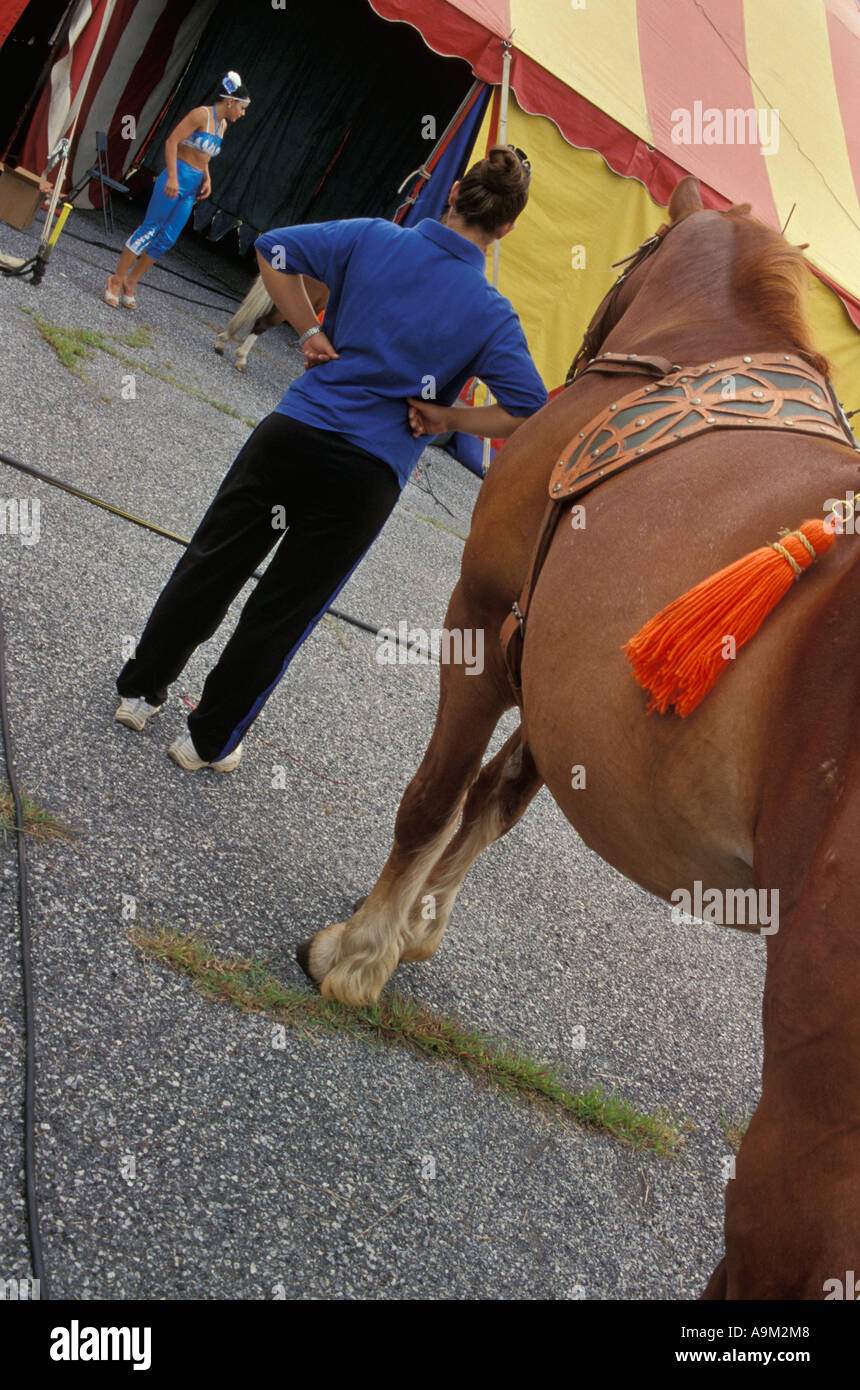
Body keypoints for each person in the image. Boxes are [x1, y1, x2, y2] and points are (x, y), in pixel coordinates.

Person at [113, 145, 548, 771]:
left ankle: (139, 691)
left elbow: (275, 249)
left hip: (295, 431)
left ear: (452, 192)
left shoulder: (374, 238)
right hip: (368, 473)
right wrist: (448, 419)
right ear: (507, 227)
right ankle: (206, 741)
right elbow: (528, 405)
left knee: (212, 563)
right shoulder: (491, 314)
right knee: (284, 608)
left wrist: (308, 331)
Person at [102, 70, 249, 309]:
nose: (242, 114)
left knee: (168, 238)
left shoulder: (222, 125)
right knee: (149, 230)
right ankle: (115, 280)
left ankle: (132, 281)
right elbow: (172, 141)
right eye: (242, 108)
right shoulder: (200, 115)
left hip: (192, 186)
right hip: (176, 176)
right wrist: (171, 176)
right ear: (230, 101)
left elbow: (205, 155)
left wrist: (207, 177)